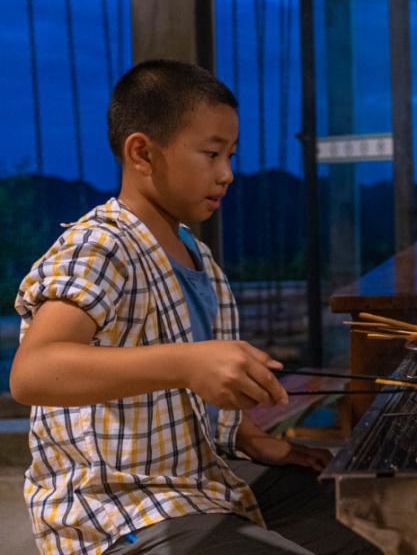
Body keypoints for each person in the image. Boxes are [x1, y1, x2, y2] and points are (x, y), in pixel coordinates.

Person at [9, 60, 371, 555]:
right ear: (142, 153)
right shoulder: (98, 245)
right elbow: (32, 372)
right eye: (211, 154)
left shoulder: (197, 256)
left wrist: (250, 437)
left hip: (201, 477)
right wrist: (187, 362)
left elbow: (191, 400)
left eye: (231, 156)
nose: (227, 174)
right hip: (119, 504)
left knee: (366, 518)